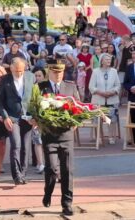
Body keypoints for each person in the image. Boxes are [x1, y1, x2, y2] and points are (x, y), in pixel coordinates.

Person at [38, 63, 79, 216]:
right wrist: (36, 120)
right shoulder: (41, 87)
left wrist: (76, 123)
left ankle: (67, 204)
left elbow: (79, 108)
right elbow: (33, 108)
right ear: (49, 72)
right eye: (55, 72)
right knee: (52, 170)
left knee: (68, 170)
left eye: (61, 72)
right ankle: (48, 192)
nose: (58, 75)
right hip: (49, 135)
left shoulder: (70, 87)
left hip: (66, 135)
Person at [0, 58, 34, 185]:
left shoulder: (31, 77)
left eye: (21, 71)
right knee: (16, 145)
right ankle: (16, 175)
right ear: (11, 68)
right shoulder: (5, 80)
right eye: (17, 71)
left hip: (28, 118)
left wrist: (34, 117)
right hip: (13, 118)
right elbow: (0, 101)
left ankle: (23, 174)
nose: (19, 73)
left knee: (25, 147)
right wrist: (5, 117)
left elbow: (35, 98)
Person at [89, 53, 121, 144]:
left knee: (111, 119)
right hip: (98, 99)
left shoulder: (114, 71)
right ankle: (99, 137)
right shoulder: (95, 71)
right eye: (107, 59)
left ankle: (111, 137)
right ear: (101, 61)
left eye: (110, 59)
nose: (109, 61)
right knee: (97, 118)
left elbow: (118, 86)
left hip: (111, 99)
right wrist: (101, 92)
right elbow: (91, 87)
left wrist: (112, 92)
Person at [32, 67, 46, 174]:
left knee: (45, 141)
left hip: (47, 118)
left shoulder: (48, 87)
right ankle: (40, 163)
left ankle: (46, 162)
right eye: (35, 75)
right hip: (36, 118)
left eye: (39, 75)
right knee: (37, 141)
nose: (37, 77)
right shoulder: (32, 87)